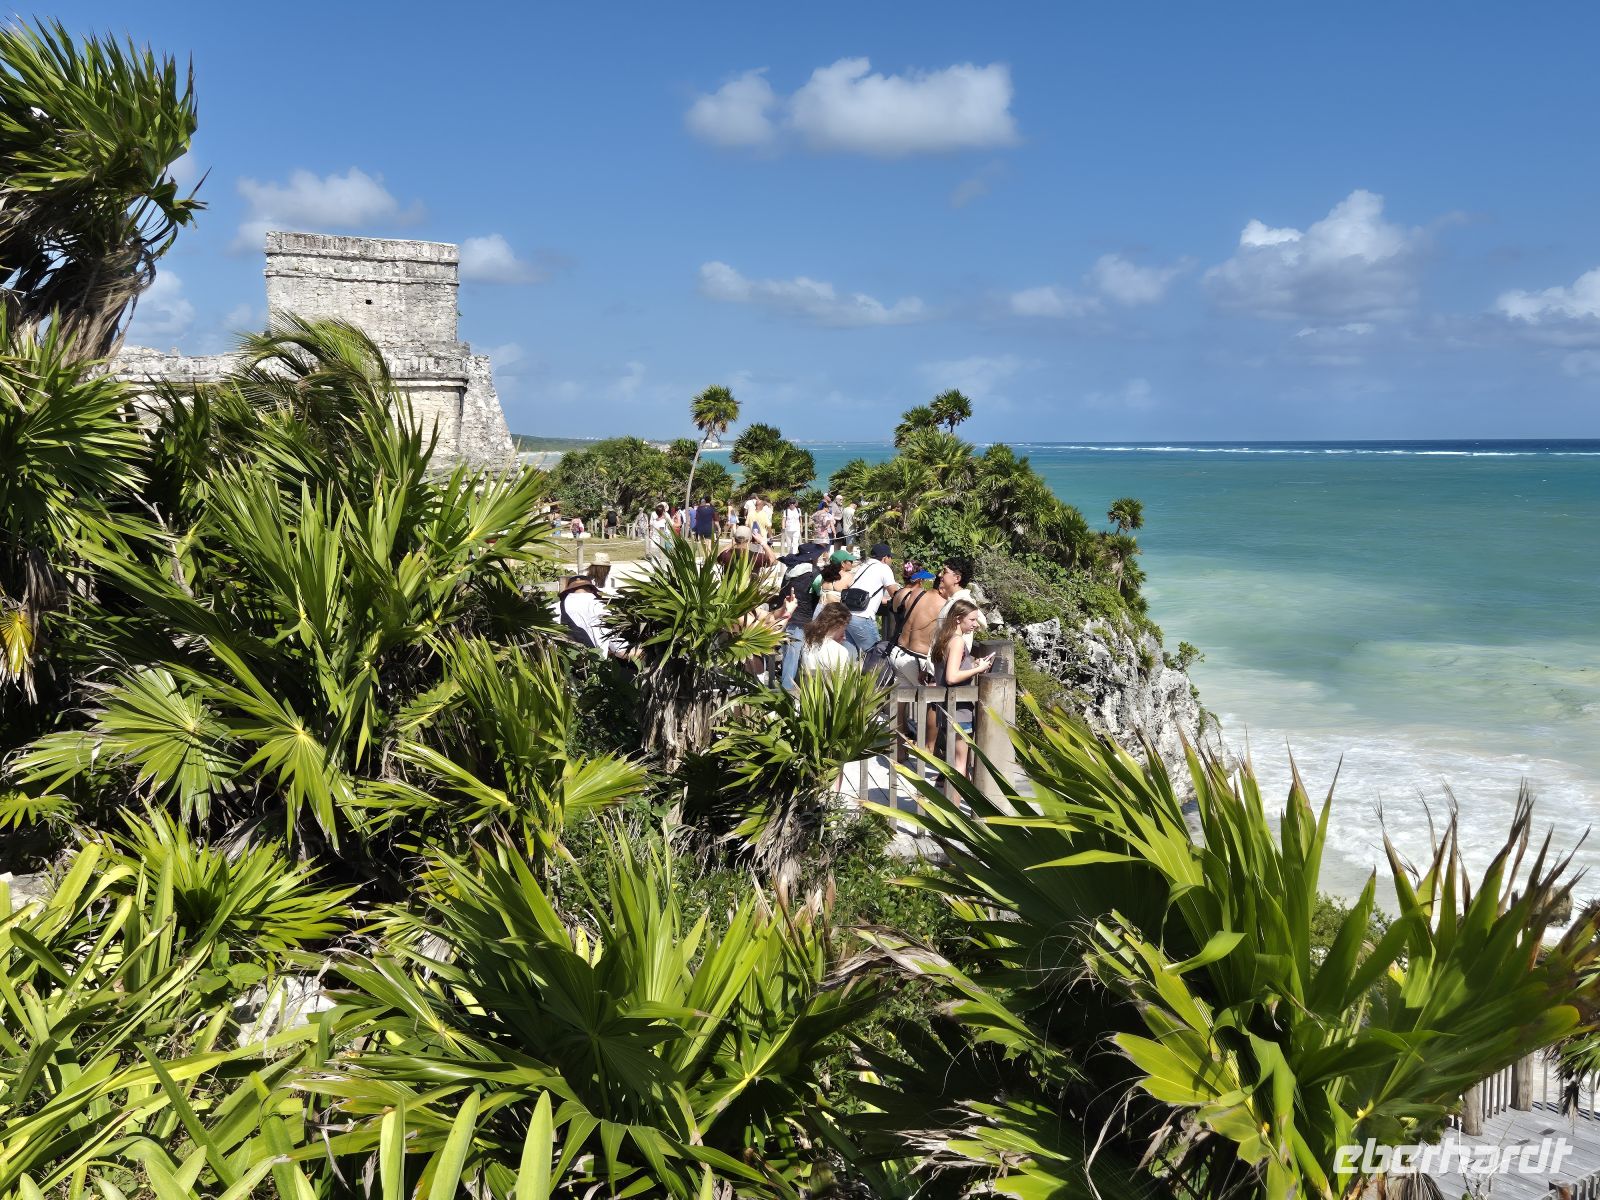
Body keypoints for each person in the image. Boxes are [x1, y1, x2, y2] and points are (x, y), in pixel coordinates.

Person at [931, 599, 995, 791]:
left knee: (953, 760)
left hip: (946, 708)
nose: (976, 624)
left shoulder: (945, 637)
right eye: (973, 619)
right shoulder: (958, 641)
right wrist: (979, 669)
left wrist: (972, 665)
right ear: (959, 619)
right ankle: (955, 812)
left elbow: (950, 669)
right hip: (959, 710)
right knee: (960, 764)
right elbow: (951, 677)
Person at [778, 542, 829, 693]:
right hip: (801, 620)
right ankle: (787, 694)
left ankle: (792, 690)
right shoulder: (814, 574)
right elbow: (822, 593)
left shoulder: (790, 571)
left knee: (791, 655)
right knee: (793, 658)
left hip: (785, 617)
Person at [843, 541, 898, 655]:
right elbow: (895, 594)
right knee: (876, 655)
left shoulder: (863, 566)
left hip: (847, 615)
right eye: (890, 557)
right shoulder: (884, 568)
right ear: (885, 558)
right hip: (863, 618)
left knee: (851, 656)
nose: (891, 560)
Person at [557, 575, 630, 658]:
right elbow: (620, 651)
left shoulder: (555, 608)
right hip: (597, 667)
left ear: (569, 590)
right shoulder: (604, 609)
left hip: (562, 667)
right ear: (591, 590)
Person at [936, 557, 990, 642]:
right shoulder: (956, 599)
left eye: (945, 572)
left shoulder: (963, 601)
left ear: (957, 578)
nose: (940, 575)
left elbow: (982, 623)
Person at [800, 602, 854, 677]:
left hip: (807, 686)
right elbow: (843, 680)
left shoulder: (807, 643)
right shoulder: (841, 652)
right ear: (840, 625)